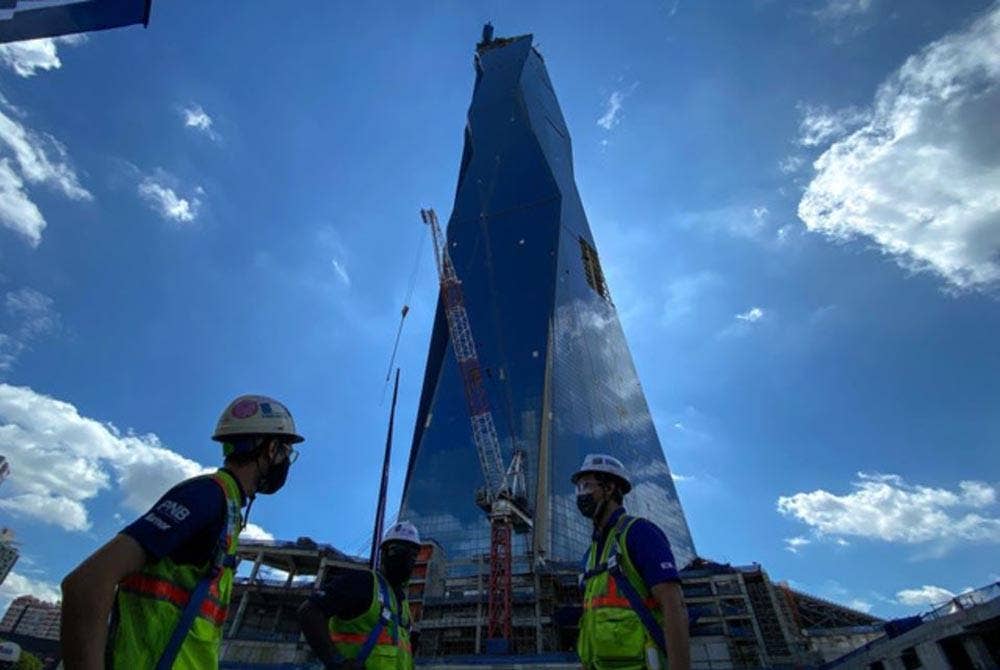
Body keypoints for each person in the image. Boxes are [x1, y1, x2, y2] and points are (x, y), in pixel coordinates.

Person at [60, 395, 304, 670]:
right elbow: (87, 582)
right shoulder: (207, 496)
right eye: (285, 451)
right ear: (271, 450)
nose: (285, 462)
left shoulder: (226, 508)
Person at [574, 454, 690, 670]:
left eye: (587, 486)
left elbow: (674, 605)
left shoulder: (639, 533)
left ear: (609, 488)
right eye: (579, 488)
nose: (581, 494)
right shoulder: (590, 555)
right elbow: (592, 621)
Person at [298, 521, 420, 670]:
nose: (407, 559)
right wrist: (337, 662)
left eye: (413, 555)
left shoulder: (403, 603)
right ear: (383, 553)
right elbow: (309, 611)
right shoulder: (363, 582)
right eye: (398, 550)